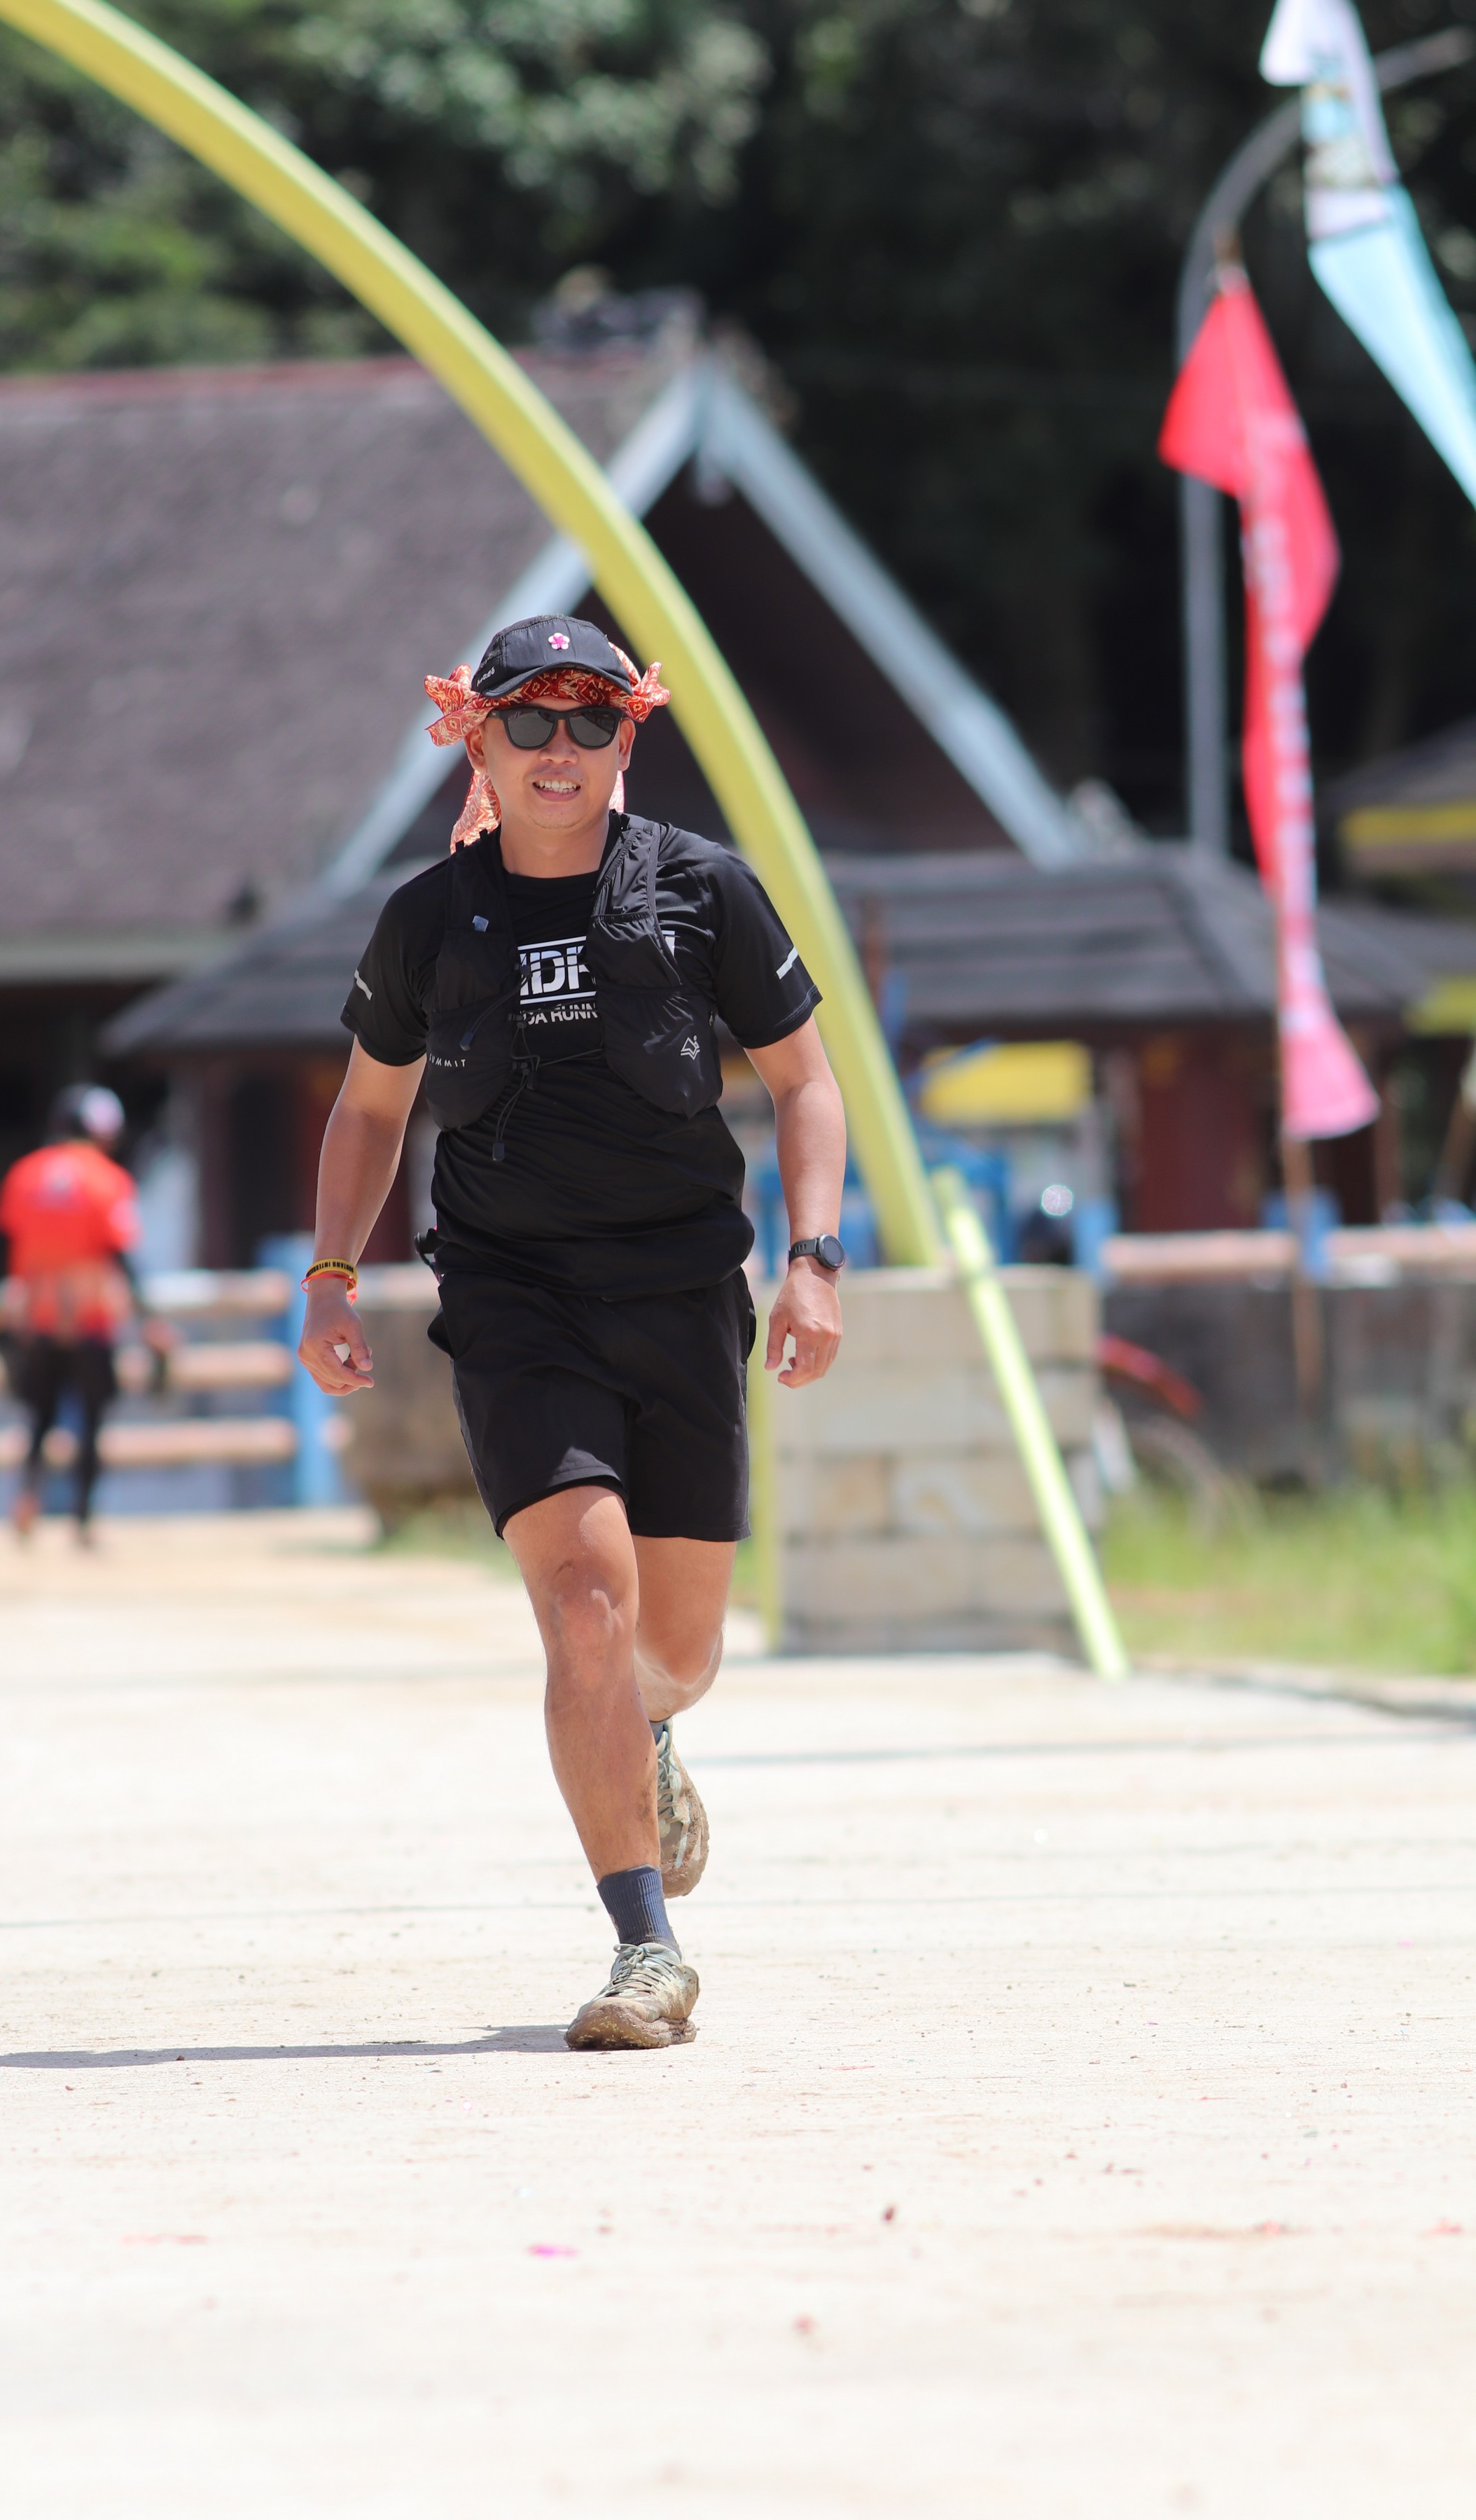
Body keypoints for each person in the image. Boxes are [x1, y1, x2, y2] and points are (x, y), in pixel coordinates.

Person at [298, 615, 847, 2050]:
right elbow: (371, 1107)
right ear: (474, 740)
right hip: (513, 1299)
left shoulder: (703, 890)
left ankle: (651, 1730)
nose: (560, 747)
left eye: (590, 719)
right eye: (529, 721)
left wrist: (814, 1258)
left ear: (627, 738)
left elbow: (805, 1082)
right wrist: (331, 1275)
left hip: (681, 1294)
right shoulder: (429, 919)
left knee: (679, 1650)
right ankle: (645, 1947)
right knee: (585, 1605)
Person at [0, 1084, 161, 1546]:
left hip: (38, 1317)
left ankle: (27, 1497)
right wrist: (149, 1318)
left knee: (39, 1418)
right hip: (90, 1317)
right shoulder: (107, 1179)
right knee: (91, 1421)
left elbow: (1, 1250)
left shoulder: (24, 1174)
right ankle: (83, 1518)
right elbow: (123, 1255)